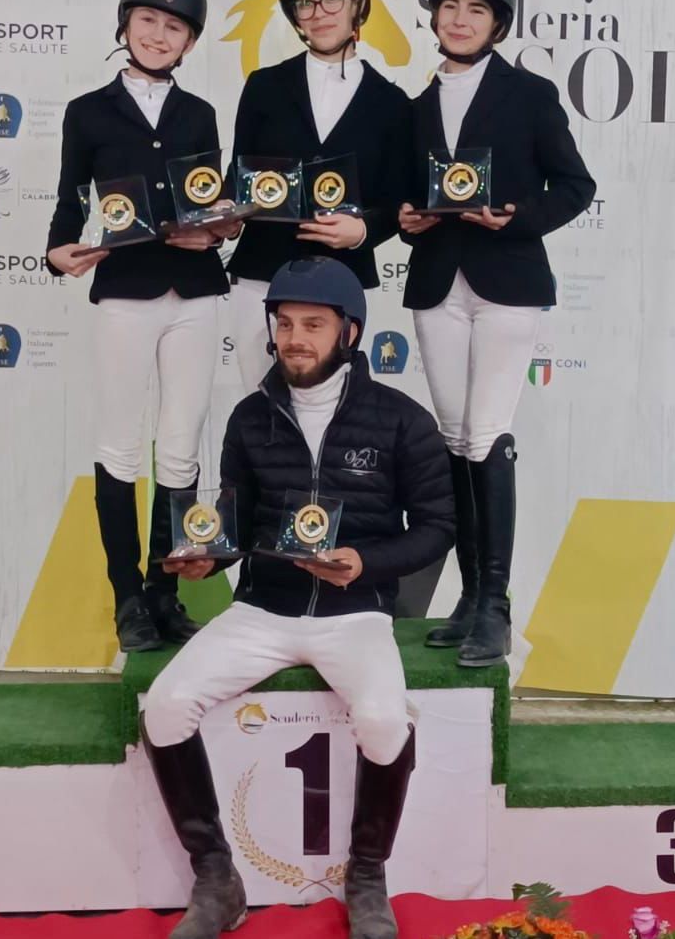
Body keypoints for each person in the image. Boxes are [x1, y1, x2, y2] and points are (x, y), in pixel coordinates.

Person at [140, 257, 454, 939]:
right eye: (283, 324)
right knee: (164, 706)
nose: (294, 339)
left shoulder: (401, 420)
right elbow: (235, 521)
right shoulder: (250, 416)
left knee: (384, 720)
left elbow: (437, 528)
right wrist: (209, 558)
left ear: (350, 332)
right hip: (262, 610)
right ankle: (216, 878)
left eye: (313, 325)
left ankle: (366, 876)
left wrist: (366, 563)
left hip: (355, 614)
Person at [399, 0, 596, 668]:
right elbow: (407, 197)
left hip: (507, 281)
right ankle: (467, 597)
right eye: (450, 6)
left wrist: (515, 219)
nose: (459, 20)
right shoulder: (417, 106)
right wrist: (407, 219)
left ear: (498, 23)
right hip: (437, 284)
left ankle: (496, 605)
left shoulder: (530, 94)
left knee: (487, 433)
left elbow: (575, 185)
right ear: (434, 16)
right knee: (455, 438)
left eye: (476, 9)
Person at [45, 0, 227, 653]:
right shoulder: (87, 111)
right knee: (120, 443)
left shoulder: (200, 113)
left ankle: (164, 593)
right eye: (147, 19)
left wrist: (218, 229)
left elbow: (208, 199)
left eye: (174, 26)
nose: (158, 34)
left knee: (180, 446)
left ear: (190, 41)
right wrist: (56, 248)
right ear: (124, 24)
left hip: (196, 293)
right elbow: (71, 193)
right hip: (124, 290)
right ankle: (127, 597)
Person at [211, 0, 412, 391]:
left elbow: (397, 201)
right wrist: (224, 214)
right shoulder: (263, 87)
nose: (319, 12)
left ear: (357, 2)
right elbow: (239, 179)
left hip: (341, 278)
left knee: (329, 412)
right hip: (261, 274)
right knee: (261, 408)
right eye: (305, 2)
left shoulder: (392, 104)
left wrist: (362, 231)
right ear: (294, 14)